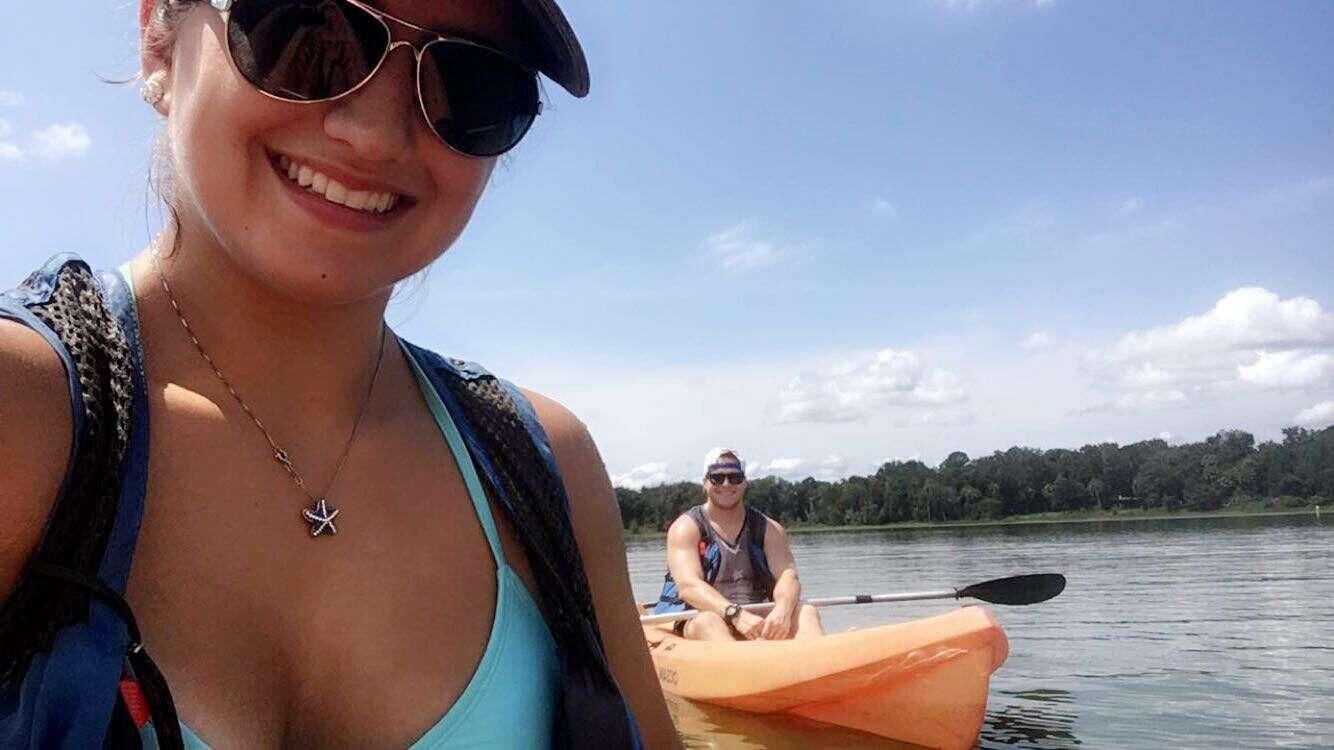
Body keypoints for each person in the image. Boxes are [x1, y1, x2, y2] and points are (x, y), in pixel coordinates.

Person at [0, 1, 679, 747]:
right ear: (160, 36)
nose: (375, 135)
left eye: (473, 80)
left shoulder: (547, 468)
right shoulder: (22, 413)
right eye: (301, 29)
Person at [653, 449, 825, 642]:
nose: (726, 484)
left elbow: (788, 576)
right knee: (709, 621)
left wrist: (783, 610)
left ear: (744, 483)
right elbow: (689, 587)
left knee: (806, 612)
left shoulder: (770, 529)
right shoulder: (685, 528)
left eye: (734, 477)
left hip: (757, 616)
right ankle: (746, 664)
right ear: (705, 482)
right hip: (702, 617)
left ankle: (823, 664)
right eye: (717, 477)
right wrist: (736, 615)